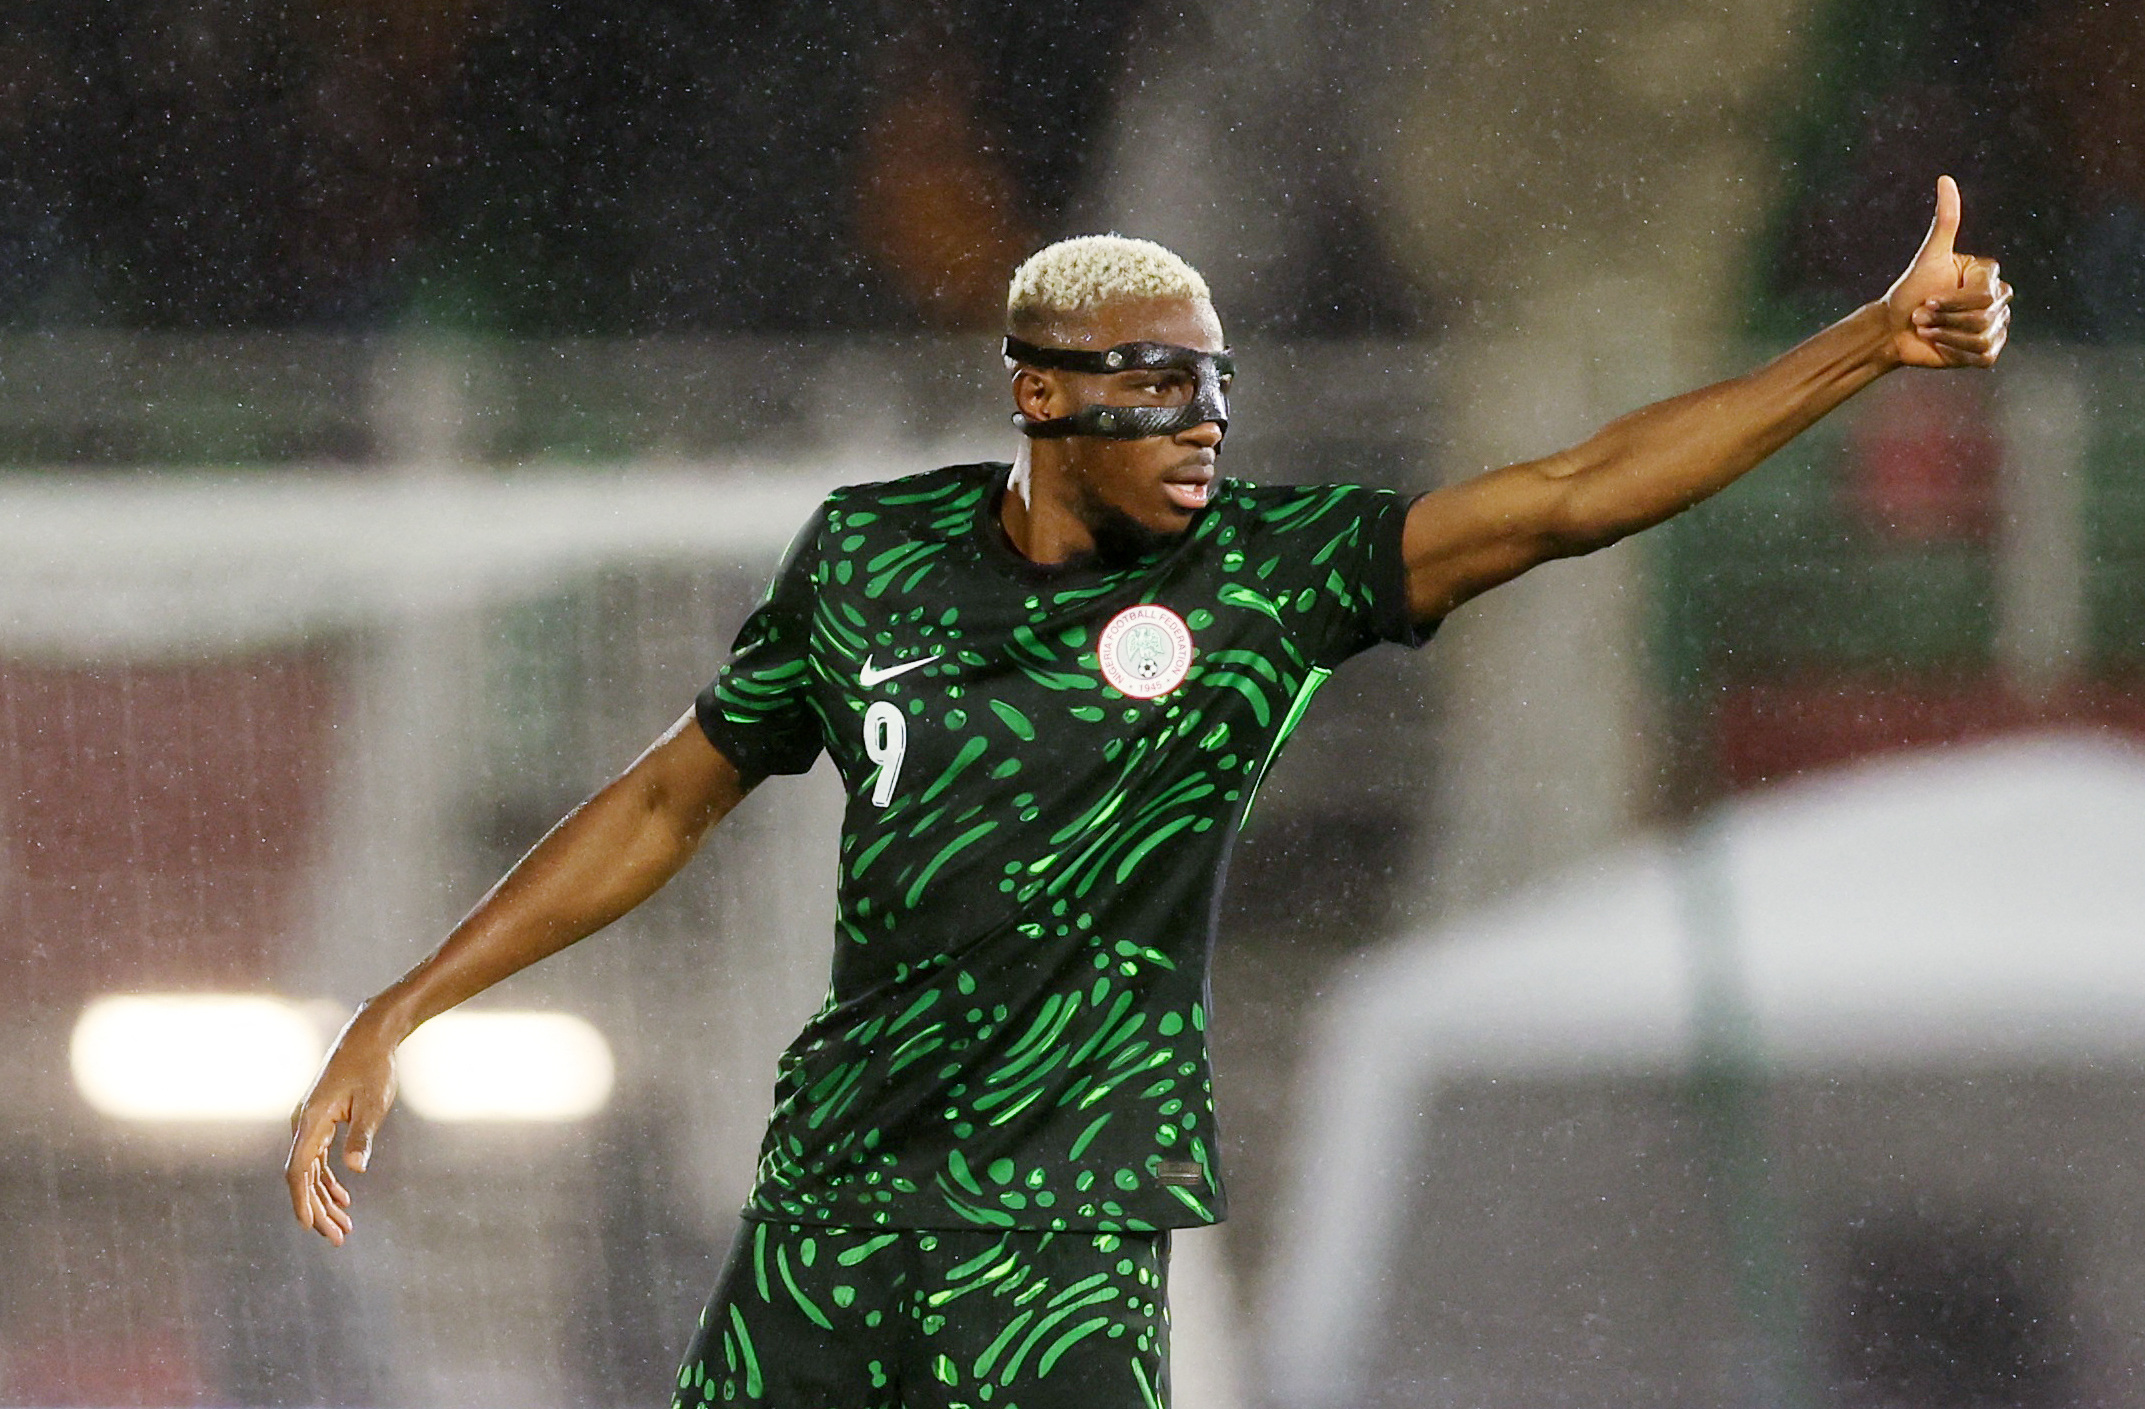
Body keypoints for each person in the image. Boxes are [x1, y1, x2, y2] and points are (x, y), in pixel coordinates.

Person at [286, 178, 2010, 1407]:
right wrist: (409, 1001)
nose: (1205, 423)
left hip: (1062, 1224)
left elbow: (1566, 494)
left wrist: (1860, 347)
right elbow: (671, 795)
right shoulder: (871, 555)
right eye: (1158, 386)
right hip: (832, 1202)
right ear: (1039, 395)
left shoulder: (1267, 579)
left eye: (1220, 386)